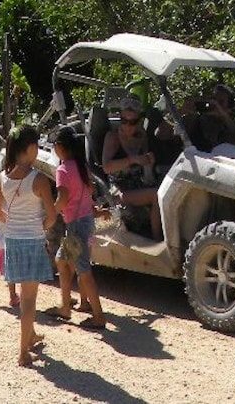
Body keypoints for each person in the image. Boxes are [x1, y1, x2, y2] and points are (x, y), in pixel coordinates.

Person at [0, 125, 57, 367]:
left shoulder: (3, 178)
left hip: (13, 241)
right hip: (32, 242)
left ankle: (30, 336)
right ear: (29, 148)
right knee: (29, 300)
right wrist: (41, 224)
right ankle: (22, 351)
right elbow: (51, 216)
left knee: (23, 297)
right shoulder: (38, 180)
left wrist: (14, 221)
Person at [45, 126, 107, 329]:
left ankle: (98, 316)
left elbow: (62, 199)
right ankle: (65, 306)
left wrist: (50, 214)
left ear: (60, 147)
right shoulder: (81, 167)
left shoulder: (63, 170)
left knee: (83, 270)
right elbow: (88, 195)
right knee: (62, 261)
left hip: (76, 226)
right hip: (86, 222)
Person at [102, 96, 162, 241]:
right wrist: (132, 160)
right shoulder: (113, 138)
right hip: (120, 190)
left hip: (139, 183)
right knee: (156, 195)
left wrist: (148, 162)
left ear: (139, 121)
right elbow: (106, 167)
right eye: (124, 121)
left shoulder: (141, 136)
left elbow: (146, 166)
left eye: (132, 122)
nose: (128, 126)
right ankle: (158, 241)